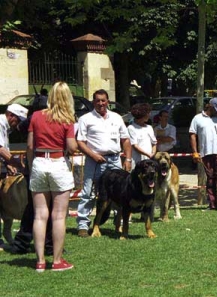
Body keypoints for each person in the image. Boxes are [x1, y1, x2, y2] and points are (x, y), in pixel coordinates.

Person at [27, 81, 77, 272]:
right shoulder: (67, 119)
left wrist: (32, 167)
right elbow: (71, 147)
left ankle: (40, 260)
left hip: (39, 161)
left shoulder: (36, 116)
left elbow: (30, 146)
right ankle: (57, 261)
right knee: (58, 216)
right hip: (57, 162)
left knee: (40, 214)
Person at [76, 89, 132, 237]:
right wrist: (93, 155)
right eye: (98, 100)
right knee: (88, 193)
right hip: (95, 161)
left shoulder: (117, 118)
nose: (101, 103)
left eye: (103, 100)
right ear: (93, 102)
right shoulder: (85, 119)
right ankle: (83, 225)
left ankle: (117, 224)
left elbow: (125, 139)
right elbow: (80, 142)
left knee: (120, 193)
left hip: (115, 159)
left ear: (108, 101)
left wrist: (128, 158)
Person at [189, 98, 217, 211]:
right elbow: (193, 135)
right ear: (209, 106)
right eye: (215, 109)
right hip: (206, 153)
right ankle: (212, 205)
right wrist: (195, 152)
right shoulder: (197, 118)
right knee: (210, 179)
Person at [0, 103, 29, 251]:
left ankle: (5, 236)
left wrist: (8, 164)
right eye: (17, 120)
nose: (17, 125)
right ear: (11, 115)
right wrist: (15, 162)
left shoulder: (5, 127)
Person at [128, 103, 156, 168]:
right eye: (148, 113)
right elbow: (135, 145)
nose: (149, 115)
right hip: (137, 161)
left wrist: (153, 153)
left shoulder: (149, 127)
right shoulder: (131, 128)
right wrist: (148, 154)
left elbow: (154, 143)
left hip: (149, 160)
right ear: (142, 114)